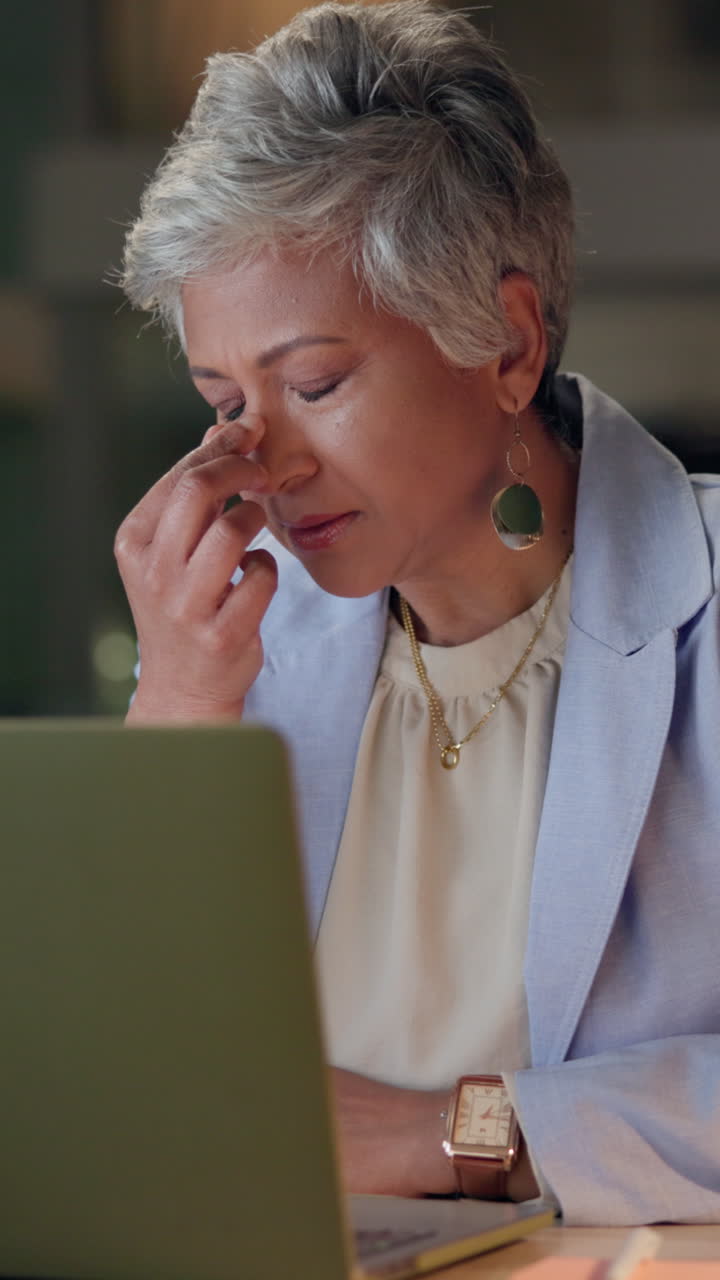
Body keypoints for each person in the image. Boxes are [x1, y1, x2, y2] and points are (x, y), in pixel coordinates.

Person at [115, 0, 720, 1226]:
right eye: (223, 397)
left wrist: (451, 1133)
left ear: (505, 341)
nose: (261, 459)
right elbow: (129, 1084)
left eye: (315, 382)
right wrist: (177, 701)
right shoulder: (243, 647)